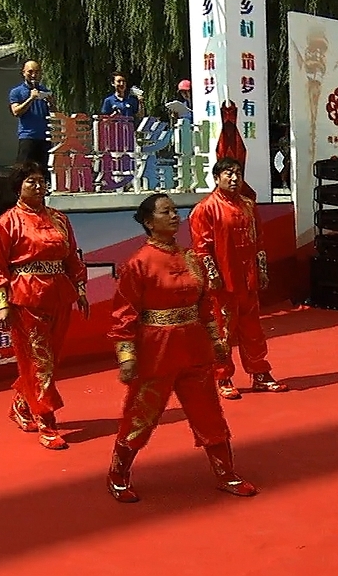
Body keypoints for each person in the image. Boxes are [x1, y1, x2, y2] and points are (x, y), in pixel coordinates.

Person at [106, 194, 258, 503]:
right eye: (166, 212)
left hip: (193, 344)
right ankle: (118, 474)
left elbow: (205, 305)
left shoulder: (191, 258)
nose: (175, 216)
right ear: (149, 222)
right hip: (156, 348)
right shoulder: (138, 262)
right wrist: (127, 356)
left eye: (176, 210)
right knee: (141, 413)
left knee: (208, 412)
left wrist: (216, 340)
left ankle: (225, 472)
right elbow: (124, 313)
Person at [0, 161, 89, 450]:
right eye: (31, 181)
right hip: (26, 296)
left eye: (42, 180)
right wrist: (1, 302)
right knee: (39, 361)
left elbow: (71, 258)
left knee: (49, 361)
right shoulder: (5, 223)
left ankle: (21, 404)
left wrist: (80, 289)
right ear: (18, 186)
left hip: (59, 293)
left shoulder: (59, 219)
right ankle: (47, 420)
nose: (38, 185)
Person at [189, 158, 287, 398]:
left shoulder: (248, 205)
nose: (234, 179)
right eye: (228, 174)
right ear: (216, 178)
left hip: (248, 279)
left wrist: (261, 269)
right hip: (223, 282)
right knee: (222, 331)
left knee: (253, 329)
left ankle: (260, 373)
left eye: (237, 174)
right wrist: (213, 276)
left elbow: (259, 240)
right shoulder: (205, 208)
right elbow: (201, 247)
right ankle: (222, 376)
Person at [8, 61, 54, 167]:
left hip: (45, 137)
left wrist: (52, 103)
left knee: (44, 170)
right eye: (30, 72)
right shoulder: (17, 92)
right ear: (23, 72)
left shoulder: (45, 91)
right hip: (28, 136)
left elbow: (54, 114)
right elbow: (16, 112)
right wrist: (31, 98)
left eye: (37, 72)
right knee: (24, 169)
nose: (34, 75)